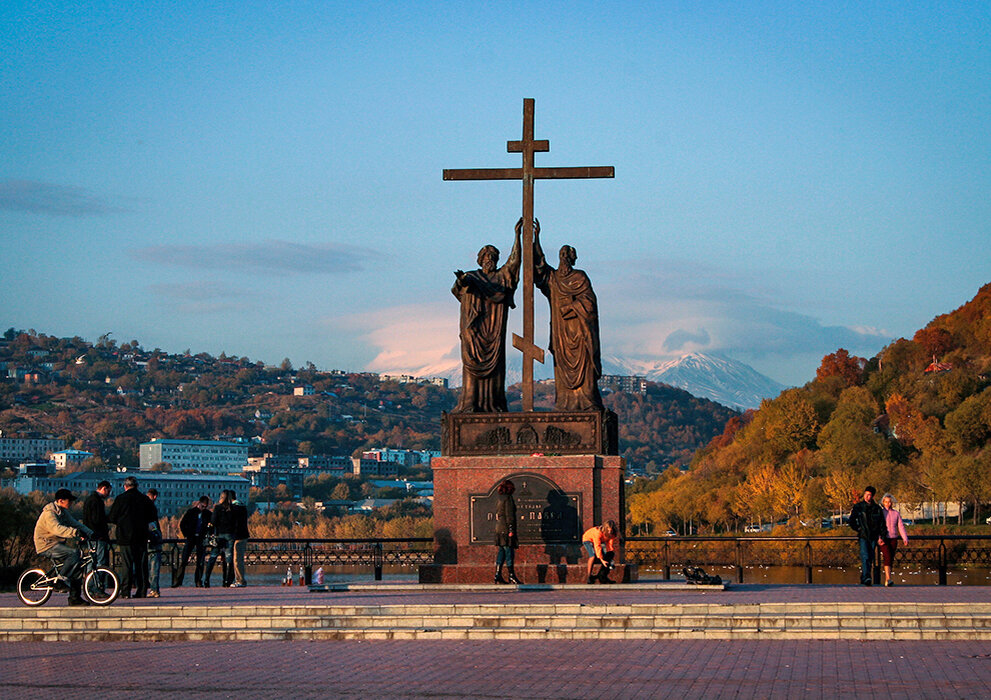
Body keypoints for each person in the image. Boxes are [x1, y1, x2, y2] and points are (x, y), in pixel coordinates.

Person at [451, 219, 522, 412]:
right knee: (470, 367)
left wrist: (517, 237)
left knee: (496, 370)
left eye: (493, 256)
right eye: (486, 256)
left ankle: (493, 404)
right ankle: (470, 403)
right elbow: (457, 289)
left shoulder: (501, 277)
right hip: (474, 331)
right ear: (480, 259)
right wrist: (462, 282)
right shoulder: (472, 277)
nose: (489, 259)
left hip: (494, 331)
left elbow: (514, 263)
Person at [533, 220, 604, 411]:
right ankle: (566, 403)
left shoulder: (580, 277)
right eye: (561, 255)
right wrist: (536, 238)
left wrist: (573, 306)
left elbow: (590, 302)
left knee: (586, 367)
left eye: (567, 255)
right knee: (562, 370)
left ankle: (588, 402)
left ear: (573, 259)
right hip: (561, 333)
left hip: (580, 332)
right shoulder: (553, 279)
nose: (564, 258)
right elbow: (538, 266)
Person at [33, 488, 95, 606]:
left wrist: (90, 533)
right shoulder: (49, 513)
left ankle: (74, 598)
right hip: (46, 545)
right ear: (61, 501)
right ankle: (60, 579)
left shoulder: (63, 512)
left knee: (78, 565)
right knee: (73, 553)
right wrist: (75, 533)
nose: (71, 503)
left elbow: (75, 523)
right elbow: (56, 529)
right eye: (69, 501)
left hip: (56, 544)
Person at [108, 475, 155, 598]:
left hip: (125, 537)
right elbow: (152, 516)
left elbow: (112, 517)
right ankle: (142, 590)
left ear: (125, 486)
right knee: (141, 565)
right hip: (141, 536)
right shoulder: (144, 499)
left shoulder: (120, 499)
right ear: (137, 486)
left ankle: (125, 592)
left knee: (127, 565)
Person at [848, 485, 885, 586]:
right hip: (863, 535)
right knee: (865, 556)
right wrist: (858, 528)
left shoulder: (877, 509)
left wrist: (881, 535)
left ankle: (865, 576)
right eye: (866, 494)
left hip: (873, 535)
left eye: (869, 495)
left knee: (871, 557)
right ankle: (866, 577)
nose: (867, 497)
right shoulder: (859, 507)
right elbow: (851, 520)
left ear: (872, 496)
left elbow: (881, 524)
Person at [173, 496, 211, 587]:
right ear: (199, 504)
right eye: (203, 506)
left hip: (201, 538)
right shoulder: (191, 512)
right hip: (191, 538)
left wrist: (207, 533)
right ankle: (178, 581)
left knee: (200, 561)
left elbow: (212, 525)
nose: (203, 508)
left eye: (205, 507)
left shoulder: (208, 514)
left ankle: (198, 581)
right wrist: (187, 534)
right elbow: (182, 524)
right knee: (184, 560)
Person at [204, 490, 235, 588]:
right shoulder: (233, 508)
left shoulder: (217, 508)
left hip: (219, 535)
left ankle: (206, 579)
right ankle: (227, 581)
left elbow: (213, 521)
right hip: (229, 535)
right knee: (229, 558)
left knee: (213, 557)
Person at [493, 480, 521, 585]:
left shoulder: (500, 498)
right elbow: (509, 516)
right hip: (505, 528)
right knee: (509, 552)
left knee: (502, 551)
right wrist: (511, 529)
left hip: (499, 528)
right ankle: (511, 575)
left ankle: (498, 574)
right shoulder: (508, 499)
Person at [879, 493, 909, 587]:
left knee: (890, 558)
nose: (888, 504)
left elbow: (900, 526)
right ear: (883, 502)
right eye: (886, 502)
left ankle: (888, 578)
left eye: (889, 502)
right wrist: (879, 538)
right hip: (884, 538)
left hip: (893, 538)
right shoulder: (881, 513)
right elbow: (878, 526)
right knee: (887, 556)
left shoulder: (896, 513)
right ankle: (888, 579)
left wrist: (905, 538)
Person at [82, 480, 112, 575]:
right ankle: (96, 585)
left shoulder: (90, 499)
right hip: (97, 536)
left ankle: (89, 584)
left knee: (92, 560)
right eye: (108, 491)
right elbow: (97, 519)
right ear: (104, 489)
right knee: (99, 561)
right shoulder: (97, 501)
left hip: (90, 534)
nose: (109, 494)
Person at [146, 488, 163, 598]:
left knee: (147, 567)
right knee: (154, 567)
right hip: (153, 541)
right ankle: (154, 589)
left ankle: (147, 588)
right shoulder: (151, 508)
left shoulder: (142, 506)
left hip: (145, 541)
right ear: (155, 496)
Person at [230, 495, 250, 588]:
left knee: (237, 560)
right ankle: (239, 580)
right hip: (243, 535)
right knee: (238, 559)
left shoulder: (235, 509)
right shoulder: (243, 507)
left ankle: (240, 580)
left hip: (238, 536)